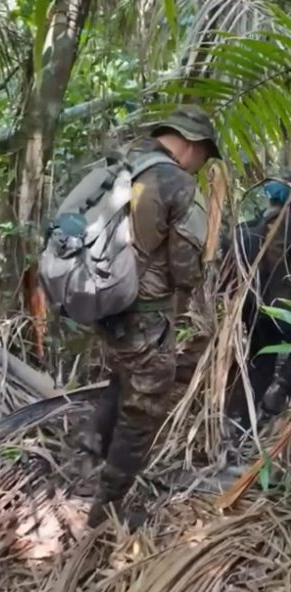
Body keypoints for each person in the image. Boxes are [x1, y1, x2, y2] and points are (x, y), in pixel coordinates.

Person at [81, 105, 221, 527]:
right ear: (192, 145)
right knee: (146, 407)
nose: (201, 165)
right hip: (145, 313)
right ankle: (106, 508)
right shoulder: (176, 182)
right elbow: (185, 268)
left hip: (103, 302)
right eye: (204, 156)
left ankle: (88, 443)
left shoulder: (123, 163)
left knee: (124, 376)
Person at [224, 176, 291, 422]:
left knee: (260, 360)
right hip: (283, 310)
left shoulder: (249, 228)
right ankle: (280, 389)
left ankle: (238, 421)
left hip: (253, 309)